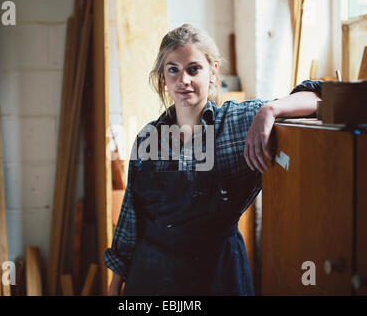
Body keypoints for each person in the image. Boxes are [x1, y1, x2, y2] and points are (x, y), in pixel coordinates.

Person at [104, 23, 321, 296]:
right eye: (173, 70)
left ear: (212, 72)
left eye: (193, 69)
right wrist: (115, 286)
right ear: (163, 78)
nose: (183, 80)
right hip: (152, 276)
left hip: (218, 276)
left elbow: (320, 95)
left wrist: (271, 110)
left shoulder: (238, 124)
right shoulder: (148, 139)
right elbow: (131, 218)